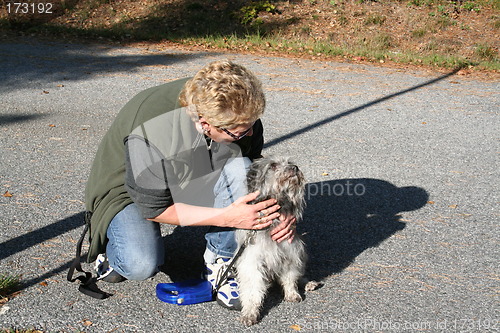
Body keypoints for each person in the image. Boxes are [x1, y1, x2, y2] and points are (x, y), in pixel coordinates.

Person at [84, 60, 297, 309]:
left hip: (193, 172)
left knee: (242, 166)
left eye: (251, 127)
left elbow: (255, 173)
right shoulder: (152, 131)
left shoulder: (239, 114)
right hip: (131, 192)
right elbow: (154, 209)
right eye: (239, 133)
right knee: (139, 264)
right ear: (205, 123)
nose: (249, 135)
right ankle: (111, 254)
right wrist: (229, 217)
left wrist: (279, 214)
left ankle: (222, 264)